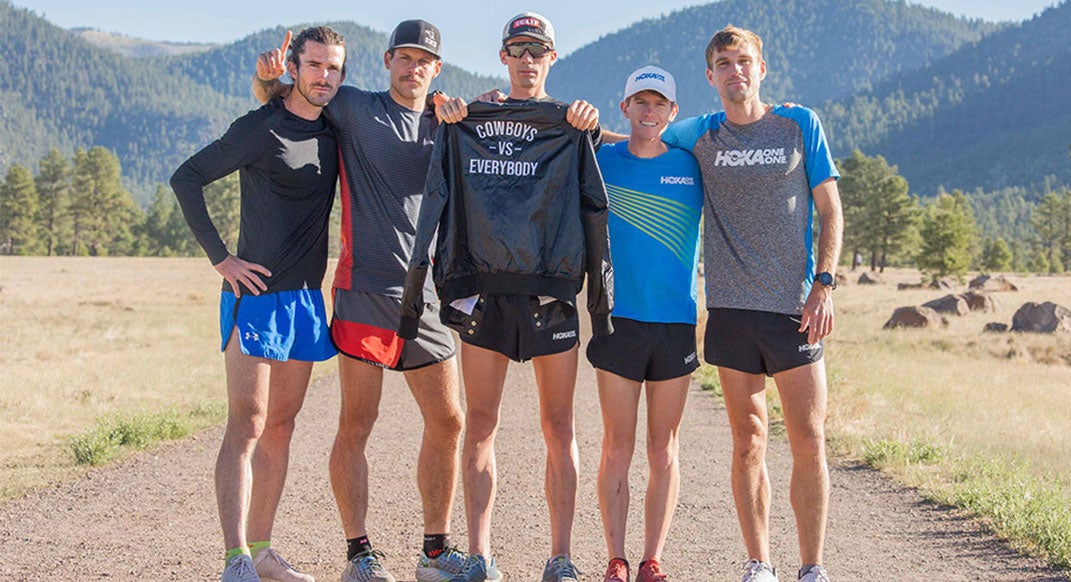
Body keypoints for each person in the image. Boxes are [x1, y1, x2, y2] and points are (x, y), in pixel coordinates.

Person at [401, 12, 612, 582]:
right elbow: (430, 140)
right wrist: (449, 110)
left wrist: (590, 126)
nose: (526, 59)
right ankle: (481, 555)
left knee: (559, 426)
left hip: (549, 291)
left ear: (551, 57)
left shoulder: (572, 122)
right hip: (486, 289)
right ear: (503, 56)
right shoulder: (470, 115)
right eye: (517, 49)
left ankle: (560, 558)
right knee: (482, 423)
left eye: (536, 50)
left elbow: (605, 180)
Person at [252, 20, 466, 582]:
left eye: (425, 60)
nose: (413, 67)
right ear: (388, 59)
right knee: (357, 422)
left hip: (425, 299)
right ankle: (359, 556)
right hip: (363, 291)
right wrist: (265, 81)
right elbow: (286, 96)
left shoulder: (450, 121)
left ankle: (435, 554)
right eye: (405, 57)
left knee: (448, 421)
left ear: (436, 68)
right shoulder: (352, 106)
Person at [660, 25, 844, 582]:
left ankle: (811, 567)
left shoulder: (799, 124)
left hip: (795, 308)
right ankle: (759, 562)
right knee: (748, 441)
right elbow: (641, 134)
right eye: (724, 63)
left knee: (809, 440)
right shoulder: (699, 132)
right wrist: (574, 121)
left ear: (761, 69)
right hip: (732, 311)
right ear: (710, 76)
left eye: (744, 61)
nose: (735, 70)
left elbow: (831, 211)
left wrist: (825, 282)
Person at [171, 26, 346, 582]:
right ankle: (235, 559)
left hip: (304, 302)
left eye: (333, 67)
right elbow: (187, 177)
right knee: (246, 424)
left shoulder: (338, 128)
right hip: (254, 299)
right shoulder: (261, 126)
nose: (324, 76)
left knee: (281, 427)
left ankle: (264, 550)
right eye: (315, 64)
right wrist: (222, 259)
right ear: (295, 67)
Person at [589, 66, 703, 582]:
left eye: (659, 103)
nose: (649, 110)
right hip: (619, 321)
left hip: (675, 323)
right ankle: (616, 557)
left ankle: (652, 559)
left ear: (673, 112)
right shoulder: (601, 160)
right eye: (640, 101)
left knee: (664, 448)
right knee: (619, 444)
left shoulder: (692, 164)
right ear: (625, 107)